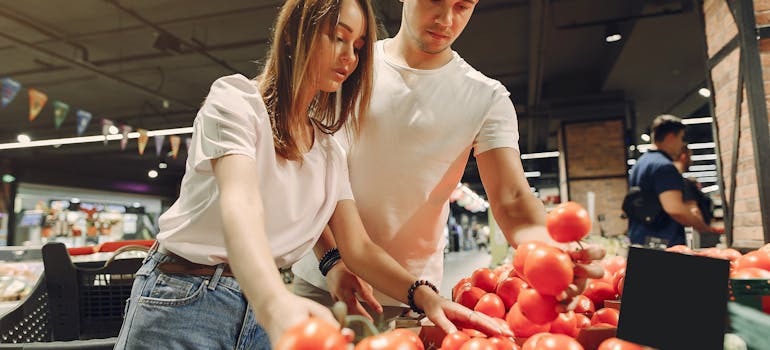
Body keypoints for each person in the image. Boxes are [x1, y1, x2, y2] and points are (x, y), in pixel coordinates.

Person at [115, 1, 504, 349]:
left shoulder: (327, 150)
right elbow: (242, 207)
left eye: (357, 47)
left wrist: (424, 295)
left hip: (259, 312)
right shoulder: (235, 102)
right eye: (338, 37)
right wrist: (274, 302)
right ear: (294, 34)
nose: (349, 57)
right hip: (185, 295)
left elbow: (359, 248)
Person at [292, 0, 605, 320]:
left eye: (461, 6)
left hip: (413, 294)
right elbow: (309, 173)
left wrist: (550, 252)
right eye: (435, 1)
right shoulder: (347, 65)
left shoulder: (486, 97)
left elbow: (511, 199)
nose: (445, 19)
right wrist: (332, 260)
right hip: (322, 279)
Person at [627, 115, 720, 247]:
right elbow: (675, 209)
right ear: (671, 137)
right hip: (663, 243)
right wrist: (704, 228)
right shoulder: (664, 166)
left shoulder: (641, 163)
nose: (682, 144)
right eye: (681, 138)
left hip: (642, 240)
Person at [673, 144, 718, 247]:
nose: (691, 161)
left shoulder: (671, 183)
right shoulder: (684, 183)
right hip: (695, 236)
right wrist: (706, 231)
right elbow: (694, 211)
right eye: (690, 156)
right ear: (684, 156)